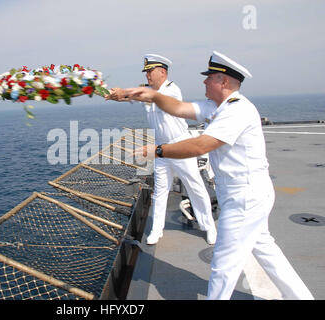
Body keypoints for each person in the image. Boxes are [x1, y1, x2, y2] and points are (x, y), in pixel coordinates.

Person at [106, 51, 314, 300]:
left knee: (223, 265)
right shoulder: (216, 106)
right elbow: (178, 108)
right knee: (265, 249)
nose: (203, 82)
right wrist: (147, 94)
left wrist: (157, 151)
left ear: (223, 82)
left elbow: (199, 146)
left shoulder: (237, 110)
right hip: (244, 192)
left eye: (209, 78)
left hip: (244, 195)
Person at [138, 54, 217, 245]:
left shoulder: (172, 90)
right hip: (161, 149)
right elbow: (133, 95)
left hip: (179, 146)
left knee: (195, 186)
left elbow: (154, 97)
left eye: (150, 71)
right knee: (160, 190)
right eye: (146, 72)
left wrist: (132, 92)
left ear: (162, 72)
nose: (147, 75)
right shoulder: (147, 90)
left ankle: (209, 227)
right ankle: (157, 230)